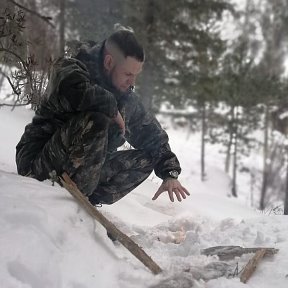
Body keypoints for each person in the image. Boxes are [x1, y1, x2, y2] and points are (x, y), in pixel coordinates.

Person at [16, 28, 190, 205]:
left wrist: (170, 173)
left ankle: (87, 203)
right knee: (97, 120)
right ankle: (73, 202)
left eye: (136, 75)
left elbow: (153, 137)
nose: (132, 82)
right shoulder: (71, 68)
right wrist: (112, 108)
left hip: (81, 176)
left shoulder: (126, 96)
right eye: (128, 74)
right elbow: (73, 89)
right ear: (108, 62)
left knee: (148, 159)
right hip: (38, 164)